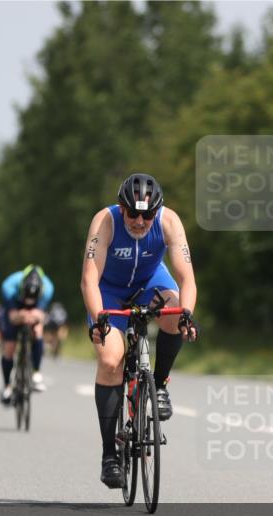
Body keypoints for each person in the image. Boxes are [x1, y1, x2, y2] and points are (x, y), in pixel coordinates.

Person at [81, 173, 199, 489]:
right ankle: (109, 455)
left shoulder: (169, 222)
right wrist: (99, 319)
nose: (139, 220)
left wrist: (187, 314)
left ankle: (158, 386)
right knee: (110, 361)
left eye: (147, 214)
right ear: (122, 208)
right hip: (109, 291)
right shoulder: (104, 222)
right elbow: (89, 279)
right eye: (132, 213)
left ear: (156, 212)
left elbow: (186, 278)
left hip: (150, 283)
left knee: (174, 317)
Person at [0, 265, 54, 404]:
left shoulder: (48, 288)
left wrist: (35, 317)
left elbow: (41, 315)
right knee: (9, 348)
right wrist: (21, 316)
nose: (28, 300)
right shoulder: (9, 286)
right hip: (15, 305)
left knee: (37, 331)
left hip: (35, 308)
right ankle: (7, 386)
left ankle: (36, 372)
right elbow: (12, 317)